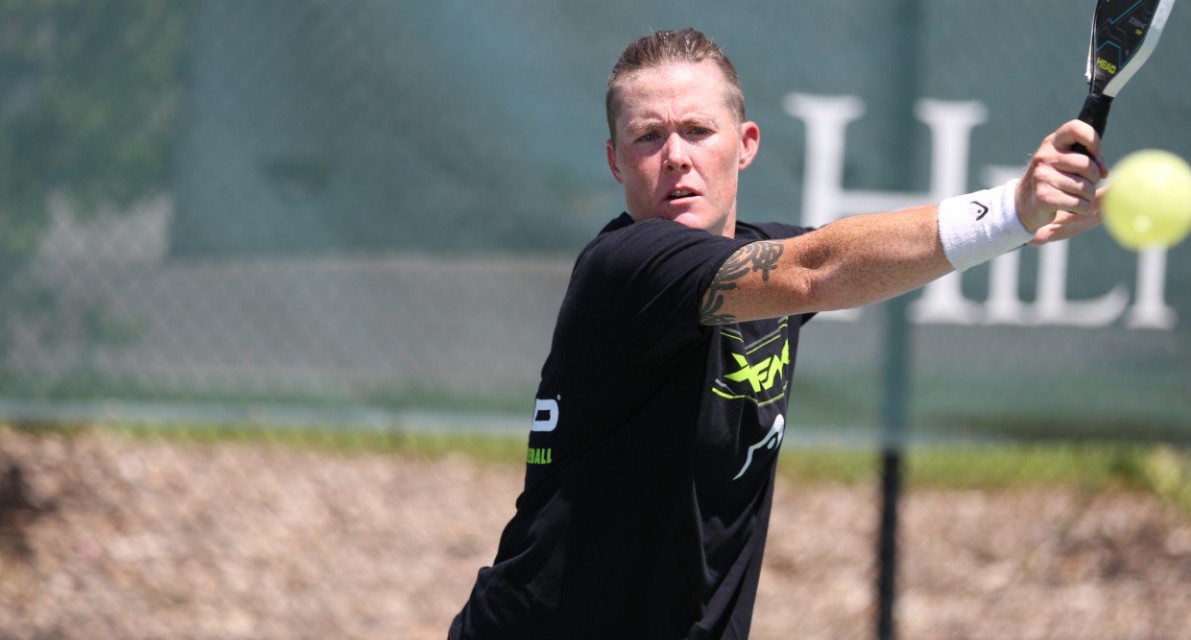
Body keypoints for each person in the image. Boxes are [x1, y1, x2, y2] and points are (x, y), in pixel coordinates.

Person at [448, 27, 1105, 640]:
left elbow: (850, 261)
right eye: (648, 137)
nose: (675, 156)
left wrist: (1030, 220)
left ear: (746, 143)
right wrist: (1011, 211)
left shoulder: (766, 257)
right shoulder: (627, 269)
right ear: (616, 161)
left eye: (698, 130)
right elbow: (819, 270)